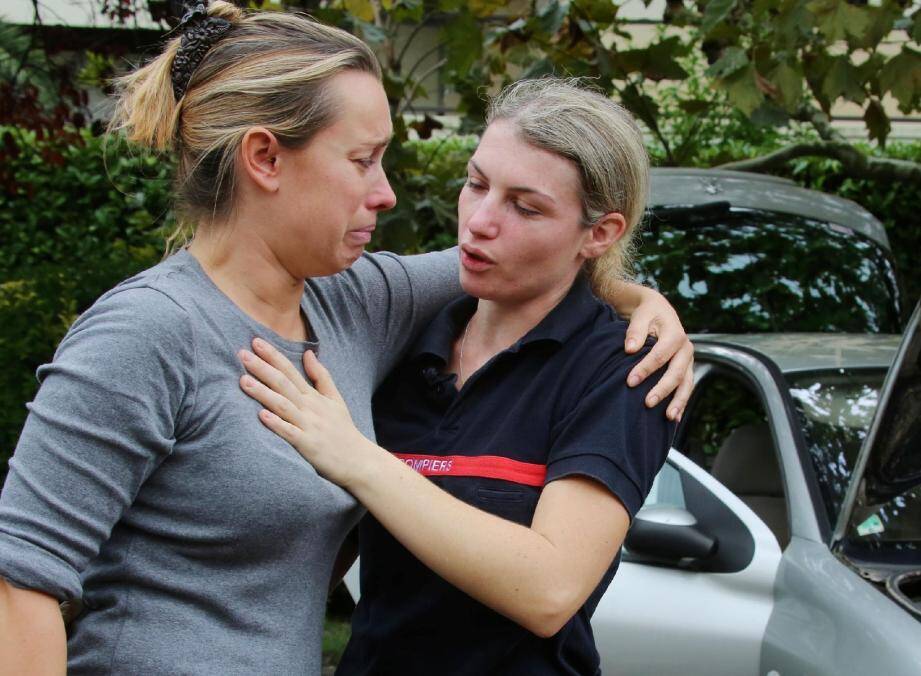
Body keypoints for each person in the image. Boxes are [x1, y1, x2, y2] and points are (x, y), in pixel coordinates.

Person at [0, 4, 690, 674]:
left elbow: (528, 261)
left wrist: (635, 297)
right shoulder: (146, 331)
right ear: (265, 158)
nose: (386, 193)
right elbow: (18, 580)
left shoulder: (355, 306)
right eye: (363, 160)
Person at [237, 78, 676, 674]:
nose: (479, 223)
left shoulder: (620, 368)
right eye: (476, 184)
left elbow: (548, 590)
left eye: (525, 207)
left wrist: (358, 458)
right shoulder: (404, 338)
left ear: (599, 233)